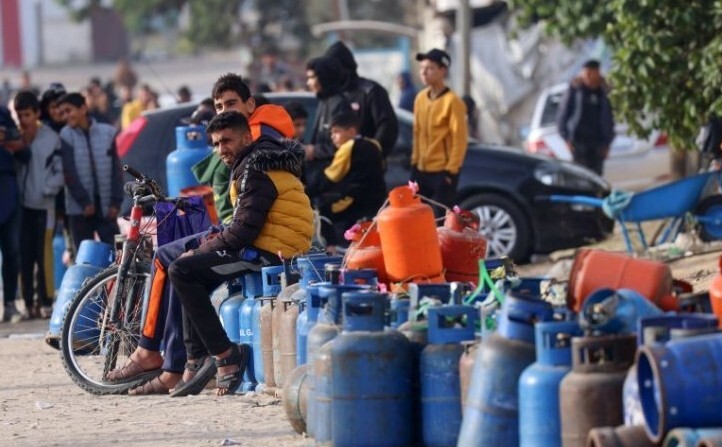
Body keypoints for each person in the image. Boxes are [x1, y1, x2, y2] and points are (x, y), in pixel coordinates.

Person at [106, 74, 296, 395]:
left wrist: (208, 244)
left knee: (182, 265)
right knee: (173, 260)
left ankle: (203, 357)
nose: (222, 112)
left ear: (250, 107)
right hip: (243, 231)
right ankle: (176, 360)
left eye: (231, 104)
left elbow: (247, 225)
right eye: (219, 106)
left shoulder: (261, 149)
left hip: (265, 243)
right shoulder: (249, 148)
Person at [169, 111, 313, 396]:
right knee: (190, 270)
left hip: (274, 253)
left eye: (227, 141)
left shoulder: (256, 168)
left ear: (247, 137)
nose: (221, 149)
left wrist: (200, 250)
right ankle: (197, 360)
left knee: (182, 270)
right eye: (216, 144)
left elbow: (243, 232)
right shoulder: (258, 161)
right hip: (273, 244)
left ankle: (225, 357)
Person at [13, 91, 64, 319]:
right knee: (24, 255)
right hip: (21, 207)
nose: (23, 120)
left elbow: (60, 172)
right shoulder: (16, 138)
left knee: (44, 255)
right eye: (19, 115)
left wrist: (47, 190)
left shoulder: (50, 138)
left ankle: (46, 302)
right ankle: (29, 303)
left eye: (26, 114)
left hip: (45, 206)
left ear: (36, 114)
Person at [307, 112, 386, 247]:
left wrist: (308, 192)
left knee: (324, 208)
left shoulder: (348, 147)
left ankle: (332, 248)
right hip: (378, 200)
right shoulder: (374, 144)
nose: (333, 137)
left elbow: (330, 176)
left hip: (355, 199)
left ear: (351, 131)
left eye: (336, 132)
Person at [58, 92, 122, 252]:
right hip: (80, 211)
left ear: (83, 108)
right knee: (84, 257)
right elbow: (68, 173)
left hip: (106, 207)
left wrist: (115, 202)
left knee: (117, 255)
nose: (66, 116)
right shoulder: (65, 136)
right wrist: (84, 202)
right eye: (63, 112)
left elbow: (116, 169)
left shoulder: (107, 132)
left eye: (69, 110)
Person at [411, 49, 468, 215]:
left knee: (441, 219)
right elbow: (417, 133)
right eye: (422, 68)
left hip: (442, 171)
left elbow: (459, 139)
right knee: (418, 218)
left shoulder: (453, 102)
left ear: (443, 70)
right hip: (421, 169)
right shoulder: (420, 98)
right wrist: (415, 163)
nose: (424, 72)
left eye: (430, 68)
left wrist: (451, 171)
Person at [325, 41, 399, 159]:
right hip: (337, 167)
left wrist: (371, 155)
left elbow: (387, 127)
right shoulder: (332, 95)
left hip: (366, 169)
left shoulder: (370, 91)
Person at [556, 59, 615, 176]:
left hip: (598, 143)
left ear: (597, 73)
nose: (587, 76)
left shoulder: (604, 91)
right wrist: (566, 138)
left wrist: (608, 143)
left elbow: (609, 118)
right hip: (578, 142)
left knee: (597, 177)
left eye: (590, 73)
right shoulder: (575, 89)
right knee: (581, 177)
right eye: (585, 73)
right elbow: (563, 115)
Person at [305, 56, 354, 192]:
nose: (308, 83)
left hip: (334, 183)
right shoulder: (323, 102)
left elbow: (344, 145)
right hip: (320, 180)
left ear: (323, 77)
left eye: (312, 78)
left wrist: (314, 151)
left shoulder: (339, 104)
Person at [0, 105, 26, 322]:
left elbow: (23, 149)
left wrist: (5, 138)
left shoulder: (4, 114)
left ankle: (9, 303)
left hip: (7, 189)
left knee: (12, 251)